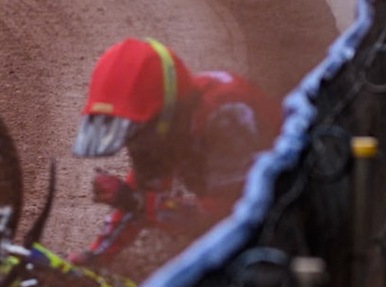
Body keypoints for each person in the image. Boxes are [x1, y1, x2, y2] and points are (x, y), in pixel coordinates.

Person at [70, 37, 278, 260]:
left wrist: (136, 203)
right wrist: (94, 257)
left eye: (138, 130)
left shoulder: (228, 116)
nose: (134, 145)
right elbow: (144, 191)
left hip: (285, 222)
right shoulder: (170, 122)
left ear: (166, 113)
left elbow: (228, 215)